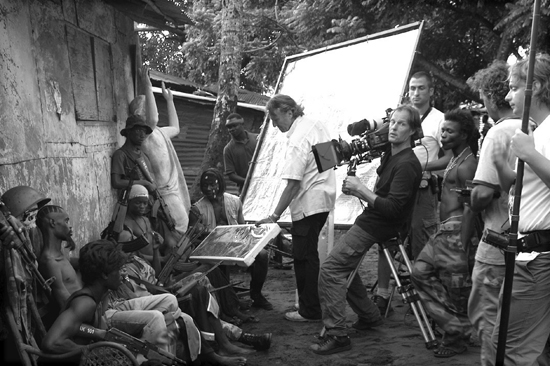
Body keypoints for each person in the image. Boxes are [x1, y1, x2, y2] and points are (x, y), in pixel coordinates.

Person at [309, 105, 423, 355]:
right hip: (374, 220)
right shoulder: (393, 154)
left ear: (413, 130)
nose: (393, 127)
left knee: (330, 270)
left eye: (401, 124)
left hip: (378, 223)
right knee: (342, 268)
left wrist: (361, 189)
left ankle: (337, 334)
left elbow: (393, 208)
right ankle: (370, 316)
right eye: (392, 122)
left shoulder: (406, 164)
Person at [487, 53, 550, 366]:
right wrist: (502, 165)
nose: (508, 96)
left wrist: (530, 154)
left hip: (538, 258)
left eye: (514, 88)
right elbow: (518, 187)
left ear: (535, 86)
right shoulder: (538, 132)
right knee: (520, 349)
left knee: (510, 351)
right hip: (528, 255)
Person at [255, 94, 336, 323]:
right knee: (309, 255)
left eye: (275, 116)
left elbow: (293, 183)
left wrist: (274, 216)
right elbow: (329, 162)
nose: (274, 123)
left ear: (290, 111)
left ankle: (309, 310)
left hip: (309, 203)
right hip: (323, 198)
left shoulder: (297, 139)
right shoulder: (316, 125)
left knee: (303, 257)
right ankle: (315, 305)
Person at [411, 109, 480, 358]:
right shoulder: (455, 157)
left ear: (464, 135)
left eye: (449, 131)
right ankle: (458, 327)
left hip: (456, 232)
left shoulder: (468, 165)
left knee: (457, 290)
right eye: (442, 129)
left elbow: (473, 206)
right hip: (444, 232)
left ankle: (455, 338)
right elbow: (439, 164)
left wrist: (464, 242)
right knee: (419, 273)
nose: (443, 134)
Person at [466, 60, 520, 366]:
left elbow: (484, 192)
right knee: (520, 332)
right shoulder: (536, 127)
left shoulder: (499, 132)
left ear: (489, 95)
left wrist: (471, 199)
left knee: (489, 323)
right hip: (529, 246)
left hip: (497, 242)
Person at [191, 168, 272, 311]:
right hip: (213, 248)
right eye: (205, 186)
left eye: (212, 184)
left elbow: (242, 227)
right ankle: (228, 301)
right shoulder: (197, 209)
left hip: (236, 244)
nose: (209, 188)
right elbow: (194, 238)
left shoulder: (235, 201)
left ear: (220, 184)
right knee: (217, 265)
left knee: (263, 255)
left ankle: (256, 294)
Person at [135, 66, 191, 234]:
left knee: (183, 222)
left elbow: (175, 128)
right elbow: (153, 118)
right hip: (164, 192)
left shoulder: (159, 133)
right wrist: (147, 85)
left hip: (173, 187)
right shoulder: (145, 136)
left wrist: (170, 101)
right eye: (145, 108)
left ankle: (179, 252)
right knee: (180, 223)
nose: (151, 111)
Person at [223, 113, 258, 194]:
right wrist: (247, 181)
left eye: (234, 126)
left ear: (242, 124)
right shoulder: (228, 149)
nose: (231, 129)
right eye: (229, 127)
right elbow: (231, 174)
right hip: (246, 190)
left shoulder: (257, 139)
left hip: (264, 183)